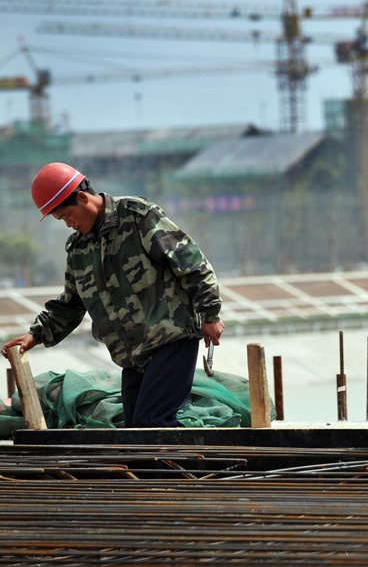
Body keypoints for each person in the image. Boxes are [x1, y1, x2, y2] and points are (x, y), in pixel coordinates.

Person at [1, 162, 224, 428]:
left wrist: (209, 314)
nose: (69, 225)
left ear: (83, 198)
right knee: (132, 431)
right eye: (62, 221)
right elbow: (70, 305)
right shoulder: (78, 248)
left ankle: (187, 469)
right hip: (132, 355)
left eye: (68, 216)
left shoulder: (137, 216)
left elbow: (191, 262)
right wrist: (34, 335)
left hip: (170, 339)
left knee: (151, 423)